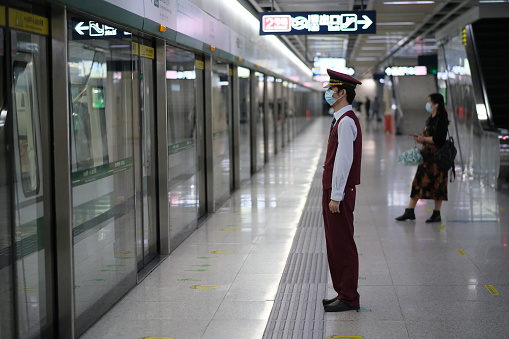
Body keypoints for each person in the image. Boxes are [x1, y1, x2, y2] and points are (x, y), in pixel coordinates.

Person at [321, 68, 362, 312]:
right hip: (334, 190)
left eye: (331, 90)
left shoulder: (346, 122)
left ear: (342, 93)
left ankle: (349, 296)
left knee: (342, 244)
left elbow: (344, 161)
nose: (328, 94)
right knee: (334, 243)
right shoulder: (340, 120)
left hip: (340, 192)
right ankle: (342, 292)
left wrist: (336, 195)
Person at [395, 93, 449, 223]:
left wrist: (423, 139)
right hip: (426, 156)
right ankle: (410, 211)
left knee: (438, 184)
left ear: (436, 104)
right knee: (418, 182)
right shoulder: (431, 118)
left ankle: (437, 213)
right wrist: (421, 139)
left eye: (429, 102)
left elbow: (439, 139)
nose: (428, 104)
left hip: (437, 158)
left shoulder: (441, 119)